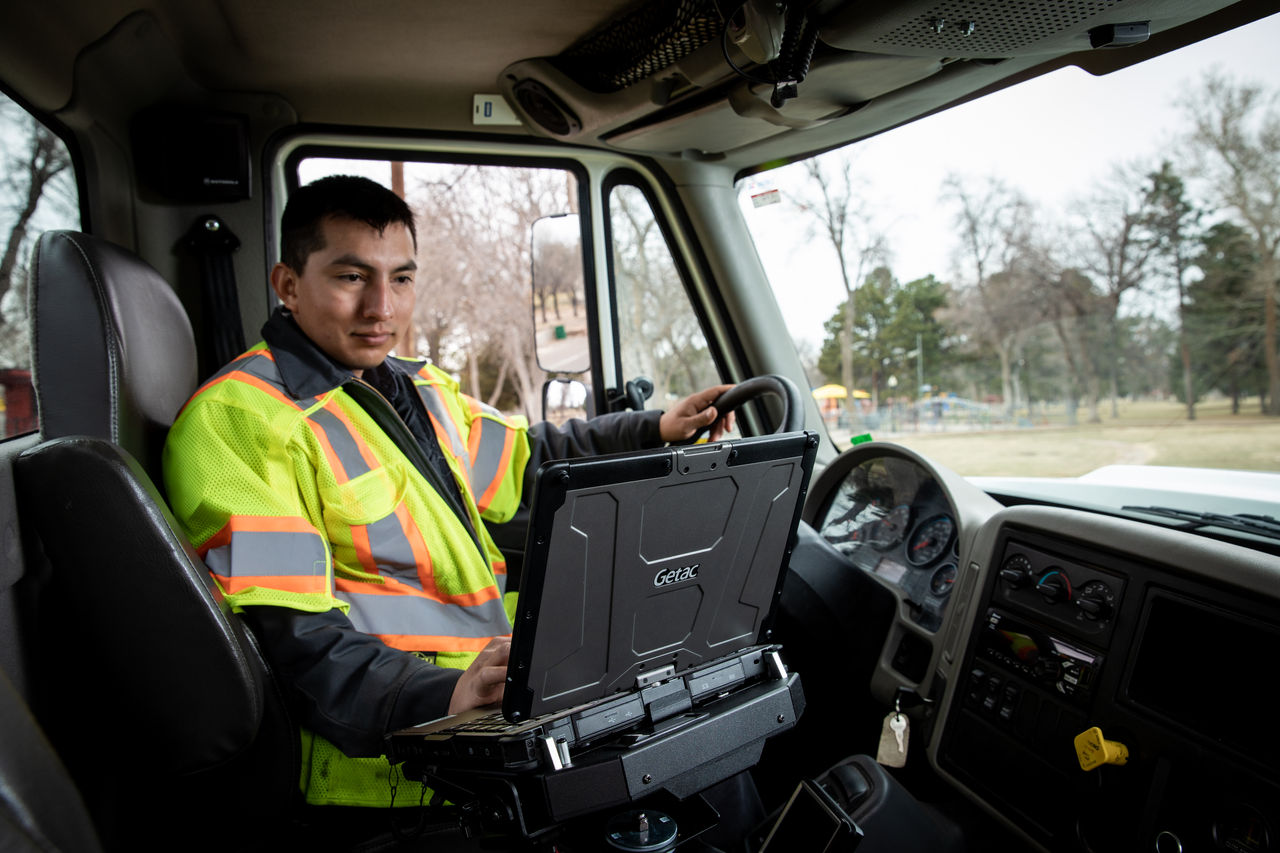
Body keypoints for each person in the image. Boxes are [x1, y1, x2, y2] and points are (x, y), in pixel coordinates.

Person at [162, 175, 734, 813]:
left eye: (401, 279)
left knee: (706, 733)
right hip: (402, 764)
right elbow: (294, 638)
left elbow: (527, 462)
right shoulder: (238, 422)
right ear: (288, 284)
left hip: (493, 693)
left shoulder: (415, 389)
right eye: (352, 277)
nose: (383, 307)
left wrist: (654, 429)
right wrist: (443, 696)